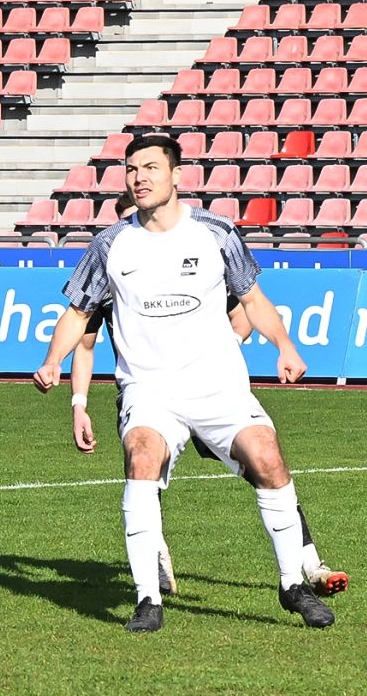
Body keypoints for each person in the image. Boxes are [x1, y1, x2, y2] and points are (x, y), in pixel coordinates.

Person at [35, 134, 337, 632]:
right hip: (150, 391)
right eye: (132, 169)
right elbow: (77, 313)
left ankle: (292, 584)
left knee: (267, 456)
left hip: (218, 387)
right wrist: (52, 361)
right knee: (141, 457)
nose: (140, 178)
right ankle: (148, 599)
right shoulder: (109, 244)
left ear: (177, 175)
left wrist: (285, 345)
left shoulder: (216, 233)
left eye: (151, 167)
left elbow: (253, 300)